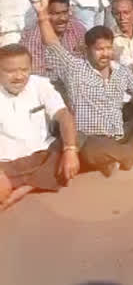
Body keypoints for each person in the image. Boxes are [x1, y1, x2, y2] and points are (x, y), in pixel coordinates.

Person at [30, 0, 133, 177]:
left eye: (108, 48)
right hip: (90, 139)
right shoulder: (74, 68)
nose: (105, 53)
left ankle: (113, 156)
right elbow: (52, 43)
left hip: (119, 135)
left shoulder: (120, 71)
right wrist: (42, 14)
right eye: (99, 49)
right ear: (87, 50)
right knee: (89, 150)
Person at [0, 44, 81, 210]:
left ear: (31, 68)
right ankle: (39, 181)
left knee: (74, 141)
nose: (19, 76)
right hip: (8, 164)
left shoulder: (40, 84)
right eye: (10, 71)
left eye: (24, 70)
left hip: (42, 155)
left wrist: (70, 150)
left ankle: (22, 190)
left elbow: (64, 116)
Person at [20, 0, 86, 79]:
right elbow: (36, 75)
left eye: (65, 12)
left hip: (77, 82)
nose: (63, 18)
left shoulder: (77, 28)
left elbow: (87, 64)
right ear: (45, 13)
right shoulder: (34, 36)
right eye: (56, 14)